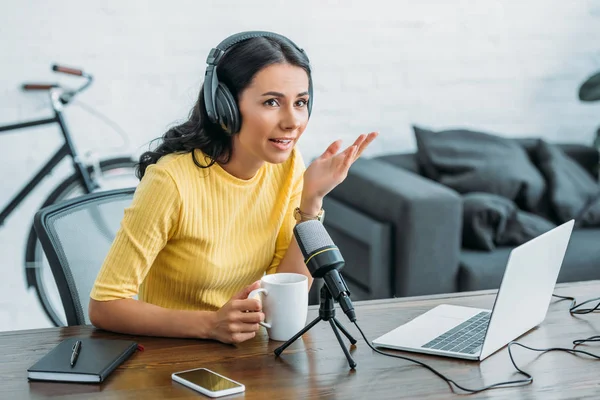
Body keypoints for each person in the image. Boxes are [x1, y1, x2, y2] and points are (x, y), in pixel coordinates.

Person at [88, 31, 377, 344]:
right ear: (225, 106)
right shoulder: (170, 182)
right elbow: (105, 306)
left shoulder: (288, 164)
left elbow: (287, 288)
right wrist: (210, 324)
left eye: (301, 102)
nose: (292, 121)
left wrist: (311, 202)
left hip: (244, 356)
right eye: (271, 102)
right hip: (169, 359)